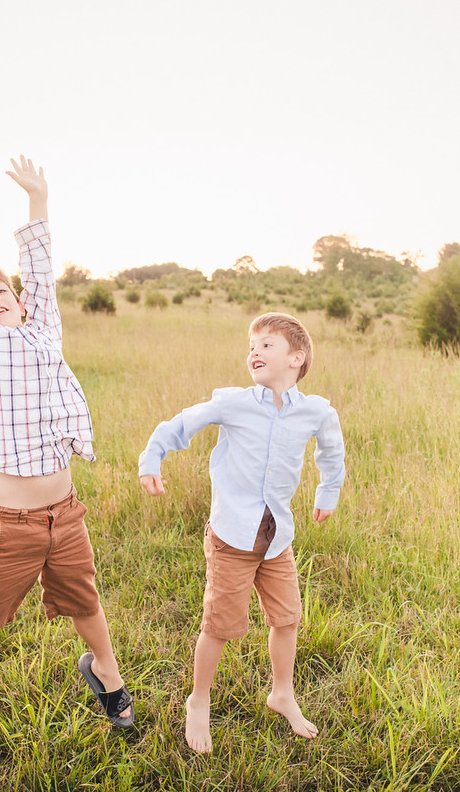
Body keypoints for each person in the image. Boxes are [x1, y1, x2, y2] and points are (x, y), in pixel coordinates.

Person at [0, 113, 132, 769]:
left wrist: (39, 202)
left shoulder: (44, 333)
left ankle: (105, 669)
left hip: (63, 515)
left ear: (20, 301)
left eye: (3, 289)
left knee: (85, 601)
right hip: (8, 522)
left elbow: (41, 273)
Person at [138, 312, 345, 754]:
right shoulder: (234, 403)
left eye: (267, 344)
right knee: (220, 623)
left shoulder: (315, 411)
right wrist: (151, 459)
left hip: (277, 539)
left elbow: (332, 449)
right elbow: (182, 424)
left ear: (296, 357)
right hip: (233, 537)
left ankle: (282, 693)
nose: (254, 351)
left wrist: (329, 491)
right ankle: (199, 698)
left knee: (287, 618)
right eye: (251, 345)